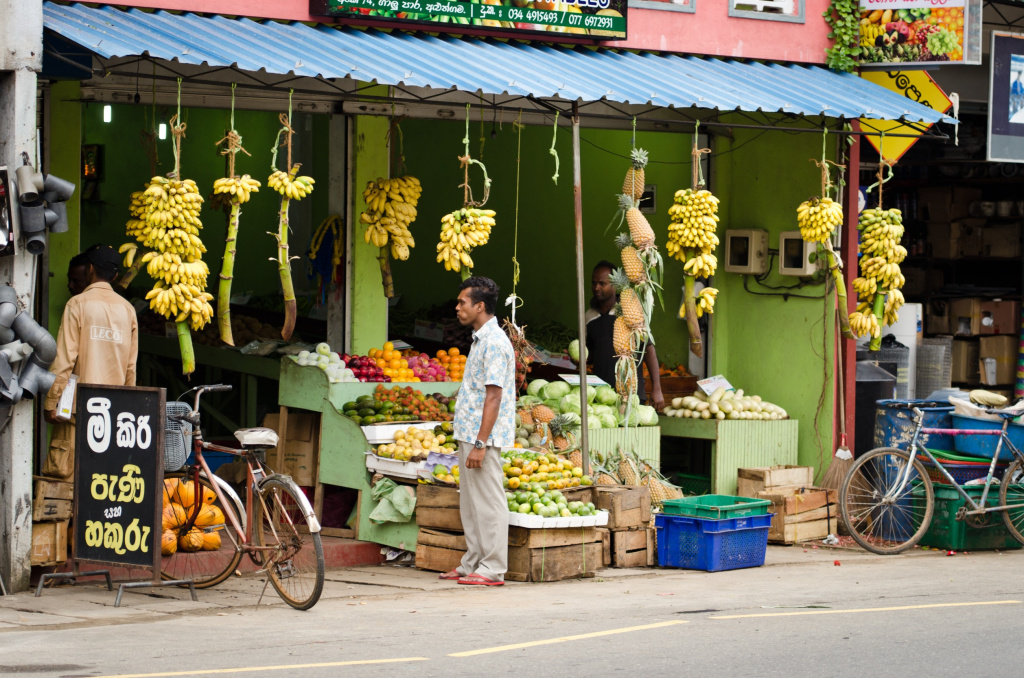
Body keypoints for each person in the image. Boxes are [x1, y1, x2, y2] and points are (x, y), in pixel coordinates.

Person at [42, 244, 139, 479]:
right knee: (102, 483)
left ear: (90, 270)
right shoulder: (128, 310)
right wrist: (126, 411)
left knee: (66, 483)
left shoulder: (77, 304)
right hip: (112, 413)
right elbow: (130, 368)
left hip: (76, 409)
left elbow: (65, 360)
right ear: (115, 276)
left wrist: (51, 401)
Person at [442, 276, 515, 586]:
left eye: (463, 303)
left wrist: (481, 443)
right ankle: (472, 562)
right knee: (471, 503)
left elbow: (494, 397)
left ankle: (493, 568)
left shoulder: (496, 344)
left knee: (489, 501)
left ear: (480, 306)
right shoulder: (480, 339)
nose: (458, 307)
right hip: (469, 433)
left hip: (483, 437)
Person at [585, 260, 665, 410]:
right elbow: (588, 354)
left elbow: (648, 349)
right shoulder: (588, 316)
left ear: (615, 286)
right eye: (594, 283)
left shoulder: (631, 313)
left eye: (602, 283)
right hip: (601, 396)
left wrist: (657, 389)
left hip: (631, 394)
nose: (596, 288)